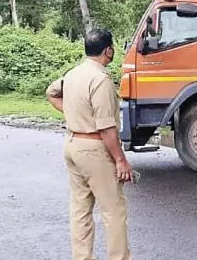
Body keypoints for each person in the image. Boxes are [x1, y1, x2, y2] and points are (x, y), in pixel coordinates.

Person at [46, 29, 133, 260]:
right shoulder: (101, 80)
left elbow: (51, 92)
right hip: (94, 150)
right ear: (108, 50)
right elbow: (106, 127)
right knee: (113, 211)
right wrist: (120, 160)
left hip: (72, 145)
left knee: (80, 211)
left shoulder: (73, 74)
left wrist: (73, 112)